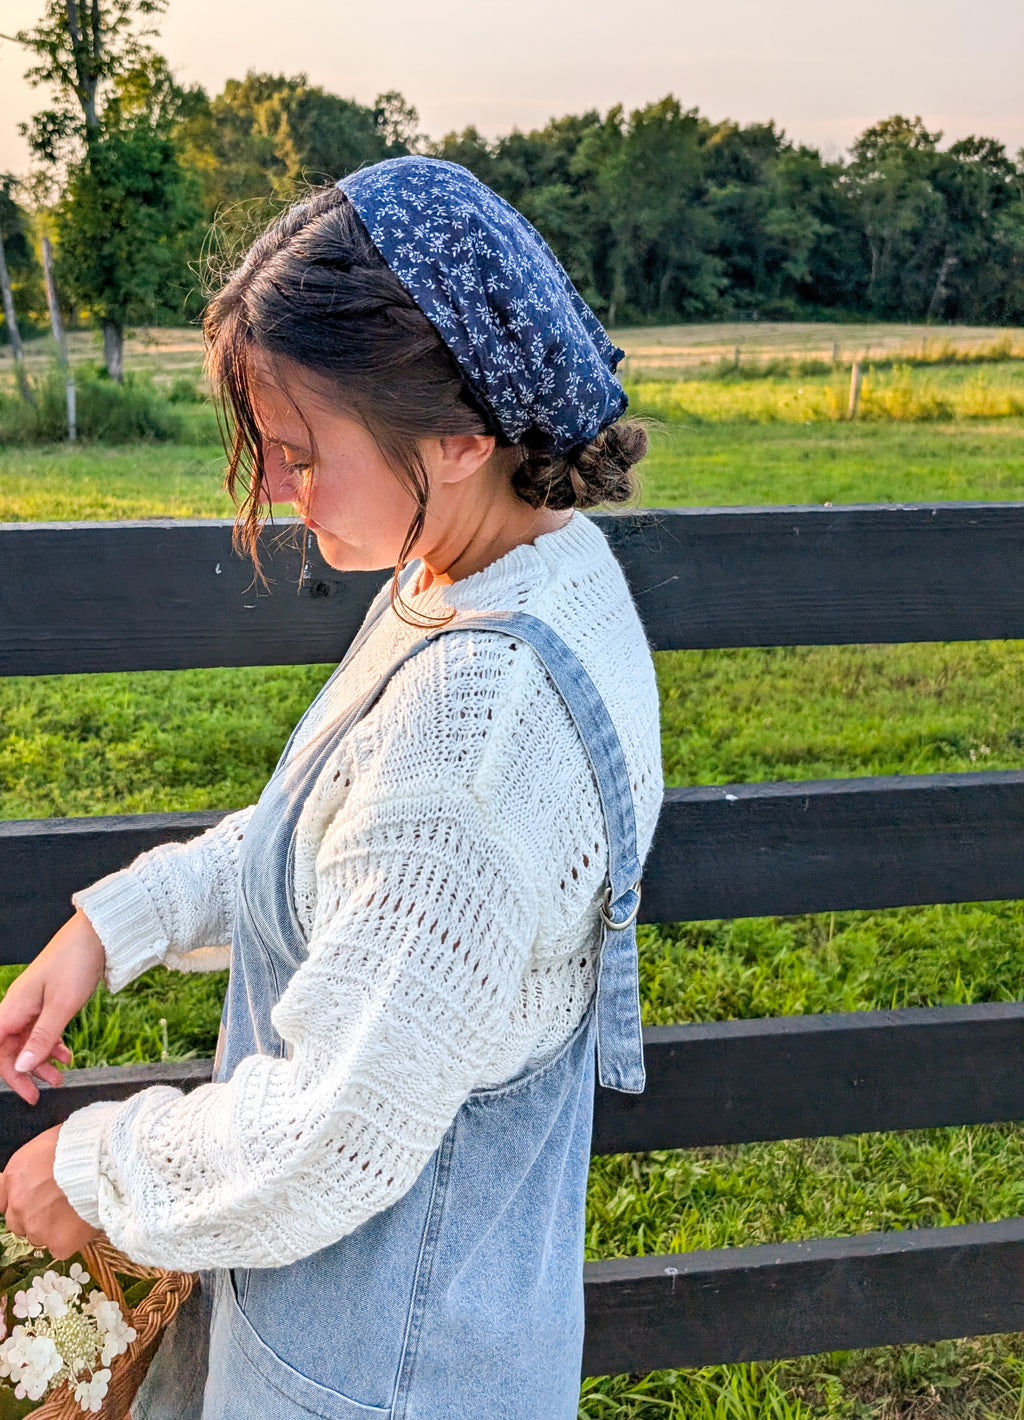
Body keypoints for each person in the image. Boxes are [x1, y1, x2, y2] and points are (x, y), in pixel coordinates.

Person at [0, 158, 663, 1420]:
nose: (271, 491)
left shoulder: (474, 750)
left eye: (300, 453)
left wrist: (89, 1170)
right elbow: (341, 834)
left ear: (462, 435)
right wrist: (116, 925)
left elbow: (325, 1131)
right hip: (427, 1329)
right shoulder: (511, 570)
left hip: (375, 1377)